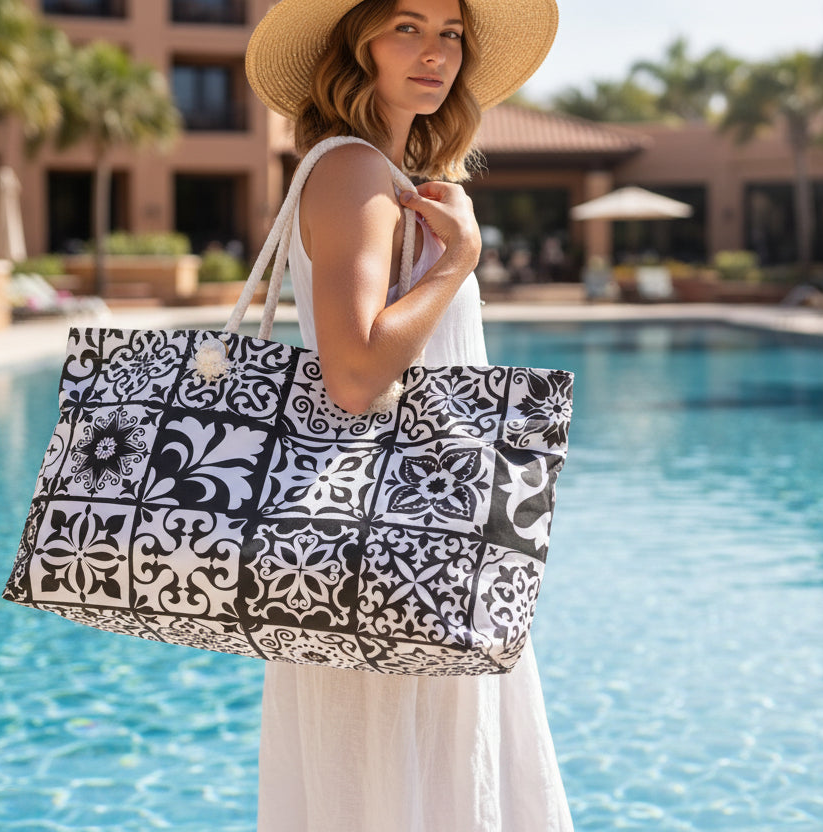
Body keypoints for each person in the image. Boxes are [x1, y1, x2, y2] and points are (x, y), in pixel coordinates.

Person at [244, 0, 573, 829]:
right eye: (408, 28)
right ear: (360, 45)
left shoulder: (396, 176)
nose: (436, 53)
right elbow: (353, 375)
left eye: (451, 35)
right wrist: (458, 259)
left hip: (424, 540)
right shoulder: (351, 171)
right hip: (385, 546)